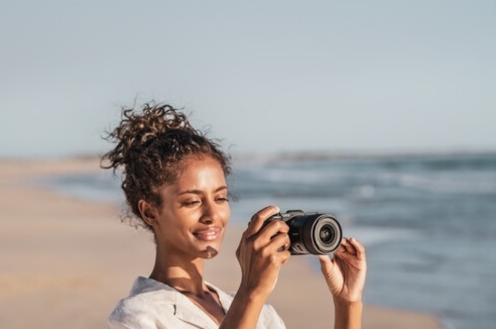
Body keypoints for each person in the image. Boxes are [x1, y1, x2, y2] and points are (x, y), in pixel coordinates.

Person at [102, 102, 367, 329]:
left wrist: (347, 304)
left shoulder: (264, 315)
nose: (212, 214)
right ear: (149, 211)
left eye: (220, 198)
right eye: (193, 201)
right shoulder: (139, 316)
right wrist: (251, 291)